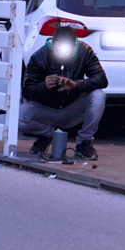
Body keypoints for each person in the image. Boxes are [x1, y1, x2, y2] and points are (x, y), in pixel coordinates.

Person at [20, 25, 108, 161]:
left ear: (75, 45)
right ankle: (47, 135)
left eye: (66, 48)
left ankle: (84, 143)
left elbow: (102, 79)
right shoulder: (39, 56)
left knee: (98, 96)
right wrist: (43, 86)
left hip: (73, 107)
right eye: (57, 48)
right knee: (18, 115)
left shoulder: (84, 51)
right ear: (52, 44)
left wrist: (76, 85)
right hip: (47, 110)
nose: (61, 52)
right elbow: (26, 90)